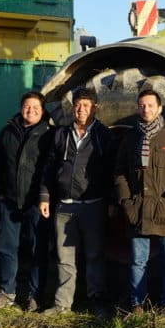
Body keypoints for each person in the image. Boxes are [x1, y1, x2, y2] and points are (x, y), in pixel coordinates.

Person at [38, 88, 115, 316]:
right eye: (78, 105)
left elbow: (112, 170)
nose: (81, 110)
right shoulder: (61, 134)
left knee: (94, 255)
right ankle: (62, 304)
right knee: (65, 257)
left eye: (86, 105)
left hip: (93, 204)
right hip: (64, 205)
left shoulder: (103, 135)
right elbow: (49, 167)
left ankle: (96, 300)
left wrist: (111, 201)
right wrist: (44, 195)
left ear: (95, 108)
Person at [115, 89, 165, 313]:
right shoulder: (131, 137)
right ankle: (137, 302)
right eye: (142, 105)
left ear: (159, 108)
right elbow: (120, 172)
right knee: (138, 261)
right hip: (138, 208)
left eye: (150, 105)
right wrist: (126, 200)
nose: (146, 109)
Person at [0, 91, 52, 312]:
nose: (30, 111)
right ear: (20, 108)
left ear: (42, 111)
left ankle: (35, 295)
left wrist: (45, 197)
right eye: (26, 106)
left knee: (37, 249)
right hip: (10, 201)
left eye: (35, 108)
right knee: (7, 248)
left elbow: (50, 170)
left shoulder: (49, 135)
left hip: (35, 203)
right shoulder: (7, 133)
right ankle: (7, 292)